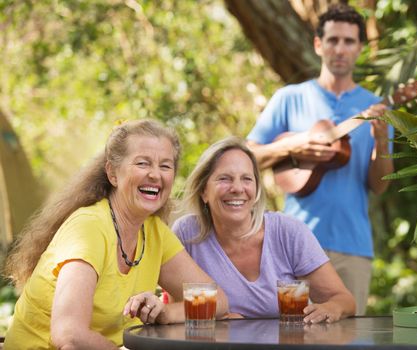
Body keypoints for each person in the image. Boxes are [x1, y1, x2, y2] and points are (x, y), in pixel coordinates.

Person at [3, 119, 228, 349]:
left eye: (165, 166)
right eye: (143, 163)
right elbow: (68, 335)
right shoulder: (89, 228)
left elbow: (216, 302)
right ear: (112, 173)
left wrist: (165, 312)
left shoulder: (154, 232)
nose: (155, 174)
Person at [246, 4, 394, 315]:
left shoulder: (375, 107)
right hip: (290, 247)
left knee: (349, 337)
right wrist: (297, 145)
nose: (340, 49)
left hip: (351, 247)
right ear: (318, 44)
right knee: (290, 334)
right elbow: (248, 157)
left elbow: (380, 186)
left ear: (360, 48)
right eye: (333, 40)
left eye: (349, 41)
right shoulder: (289, 98)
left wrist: (381, 140)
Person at [172, 136, 355, 323]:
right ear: (204, 191)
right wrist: (220, 318)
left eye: (246, 179)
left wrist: (330, 308)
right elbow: (179, 311)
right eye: (224, 178)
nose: (237, 188)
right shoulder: (187, 234)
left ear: (257, 190)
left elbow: (344, 300)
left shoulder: (288, 232)